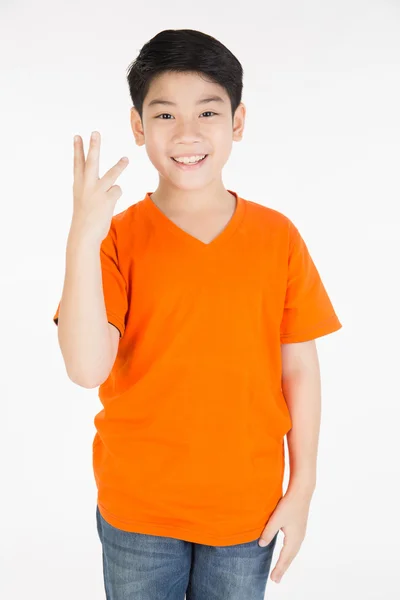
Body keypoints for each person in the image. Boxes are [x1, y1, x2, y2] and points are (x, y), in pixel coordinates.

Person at [53, 28, 342, 600]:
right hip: (138, 511)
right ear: (138, 127)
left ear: (237, 122)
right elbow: (87, 369)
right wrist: (82, 239)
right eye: (164, 116)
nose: (186, 134)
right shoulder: (117, 240)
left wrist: (301, 485)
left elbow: (300, 369)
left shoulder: (276, 237)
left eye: (207, 113)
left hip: (246, 511)